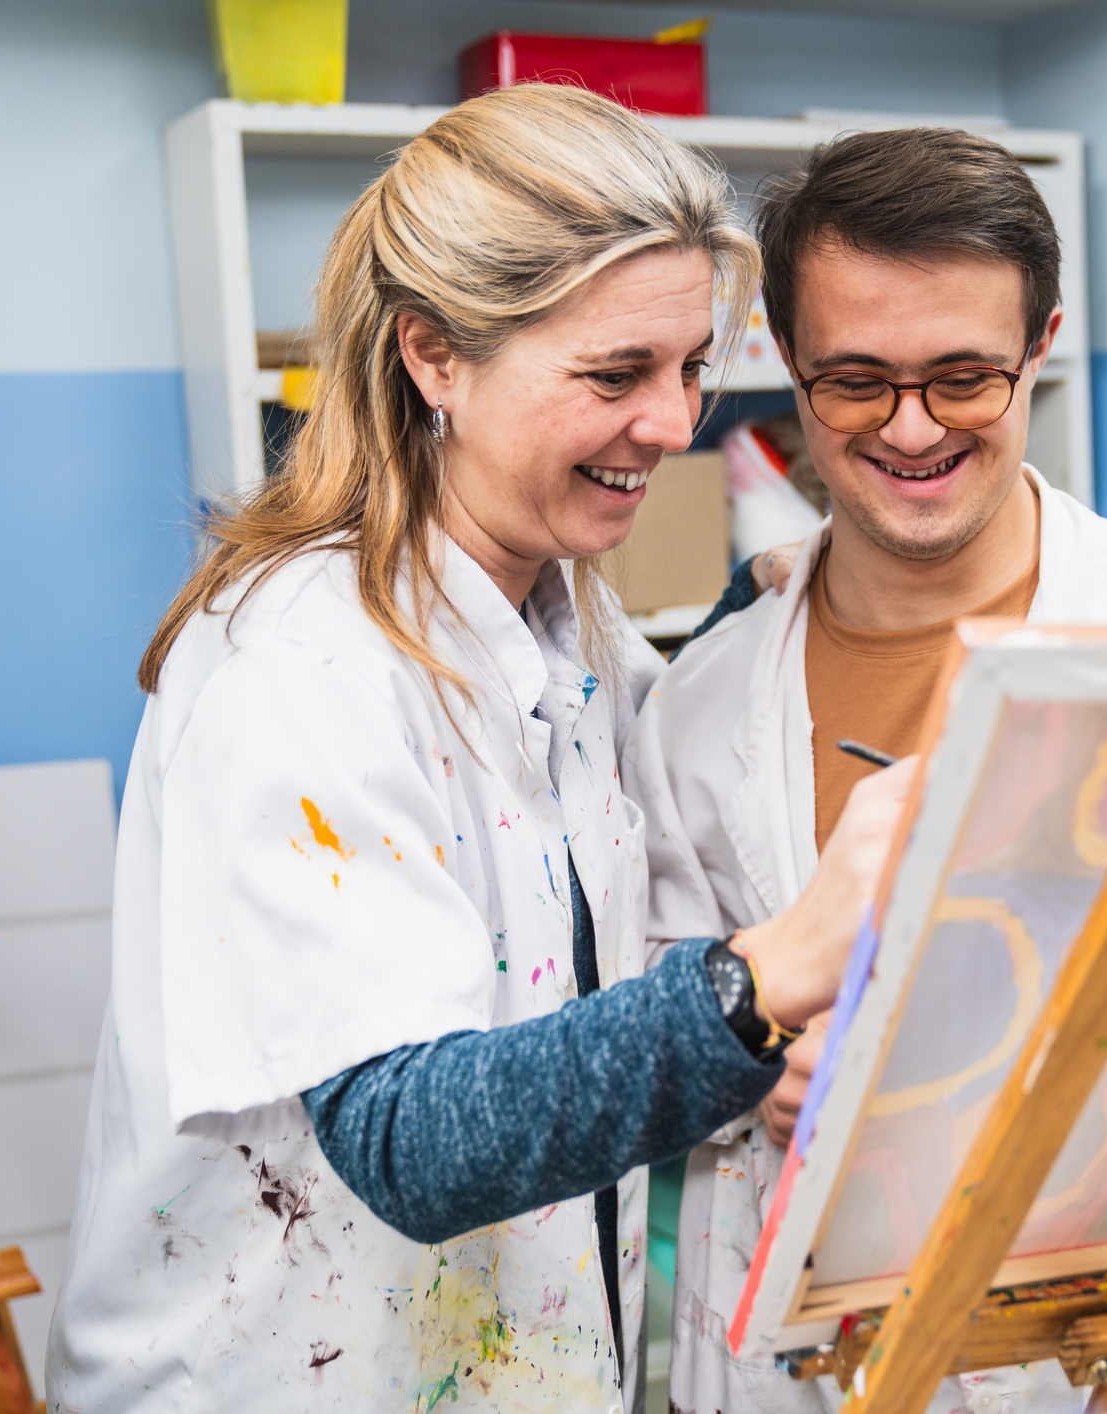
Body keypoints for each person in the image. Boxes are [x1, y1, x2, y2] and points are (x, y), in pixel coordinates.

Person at [46, 85, 912, 1413]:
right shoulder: (300, 661)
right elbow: (418, 1135)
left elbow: (566, 967)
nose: (676, 424)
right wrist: (770, 973)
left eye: (691, 365)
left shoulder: (578, 633)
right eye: (615, 373)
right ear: (434, 357)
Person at [624, 129, 1107, 1414]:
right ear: (783, 369)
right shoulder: (694, 707)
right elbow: (643, 1045)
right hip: (788, 1356)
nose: (911, 429)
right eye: (856, 380)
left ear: (1043, 345)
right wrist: (749, 1056)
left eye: (966, 376)